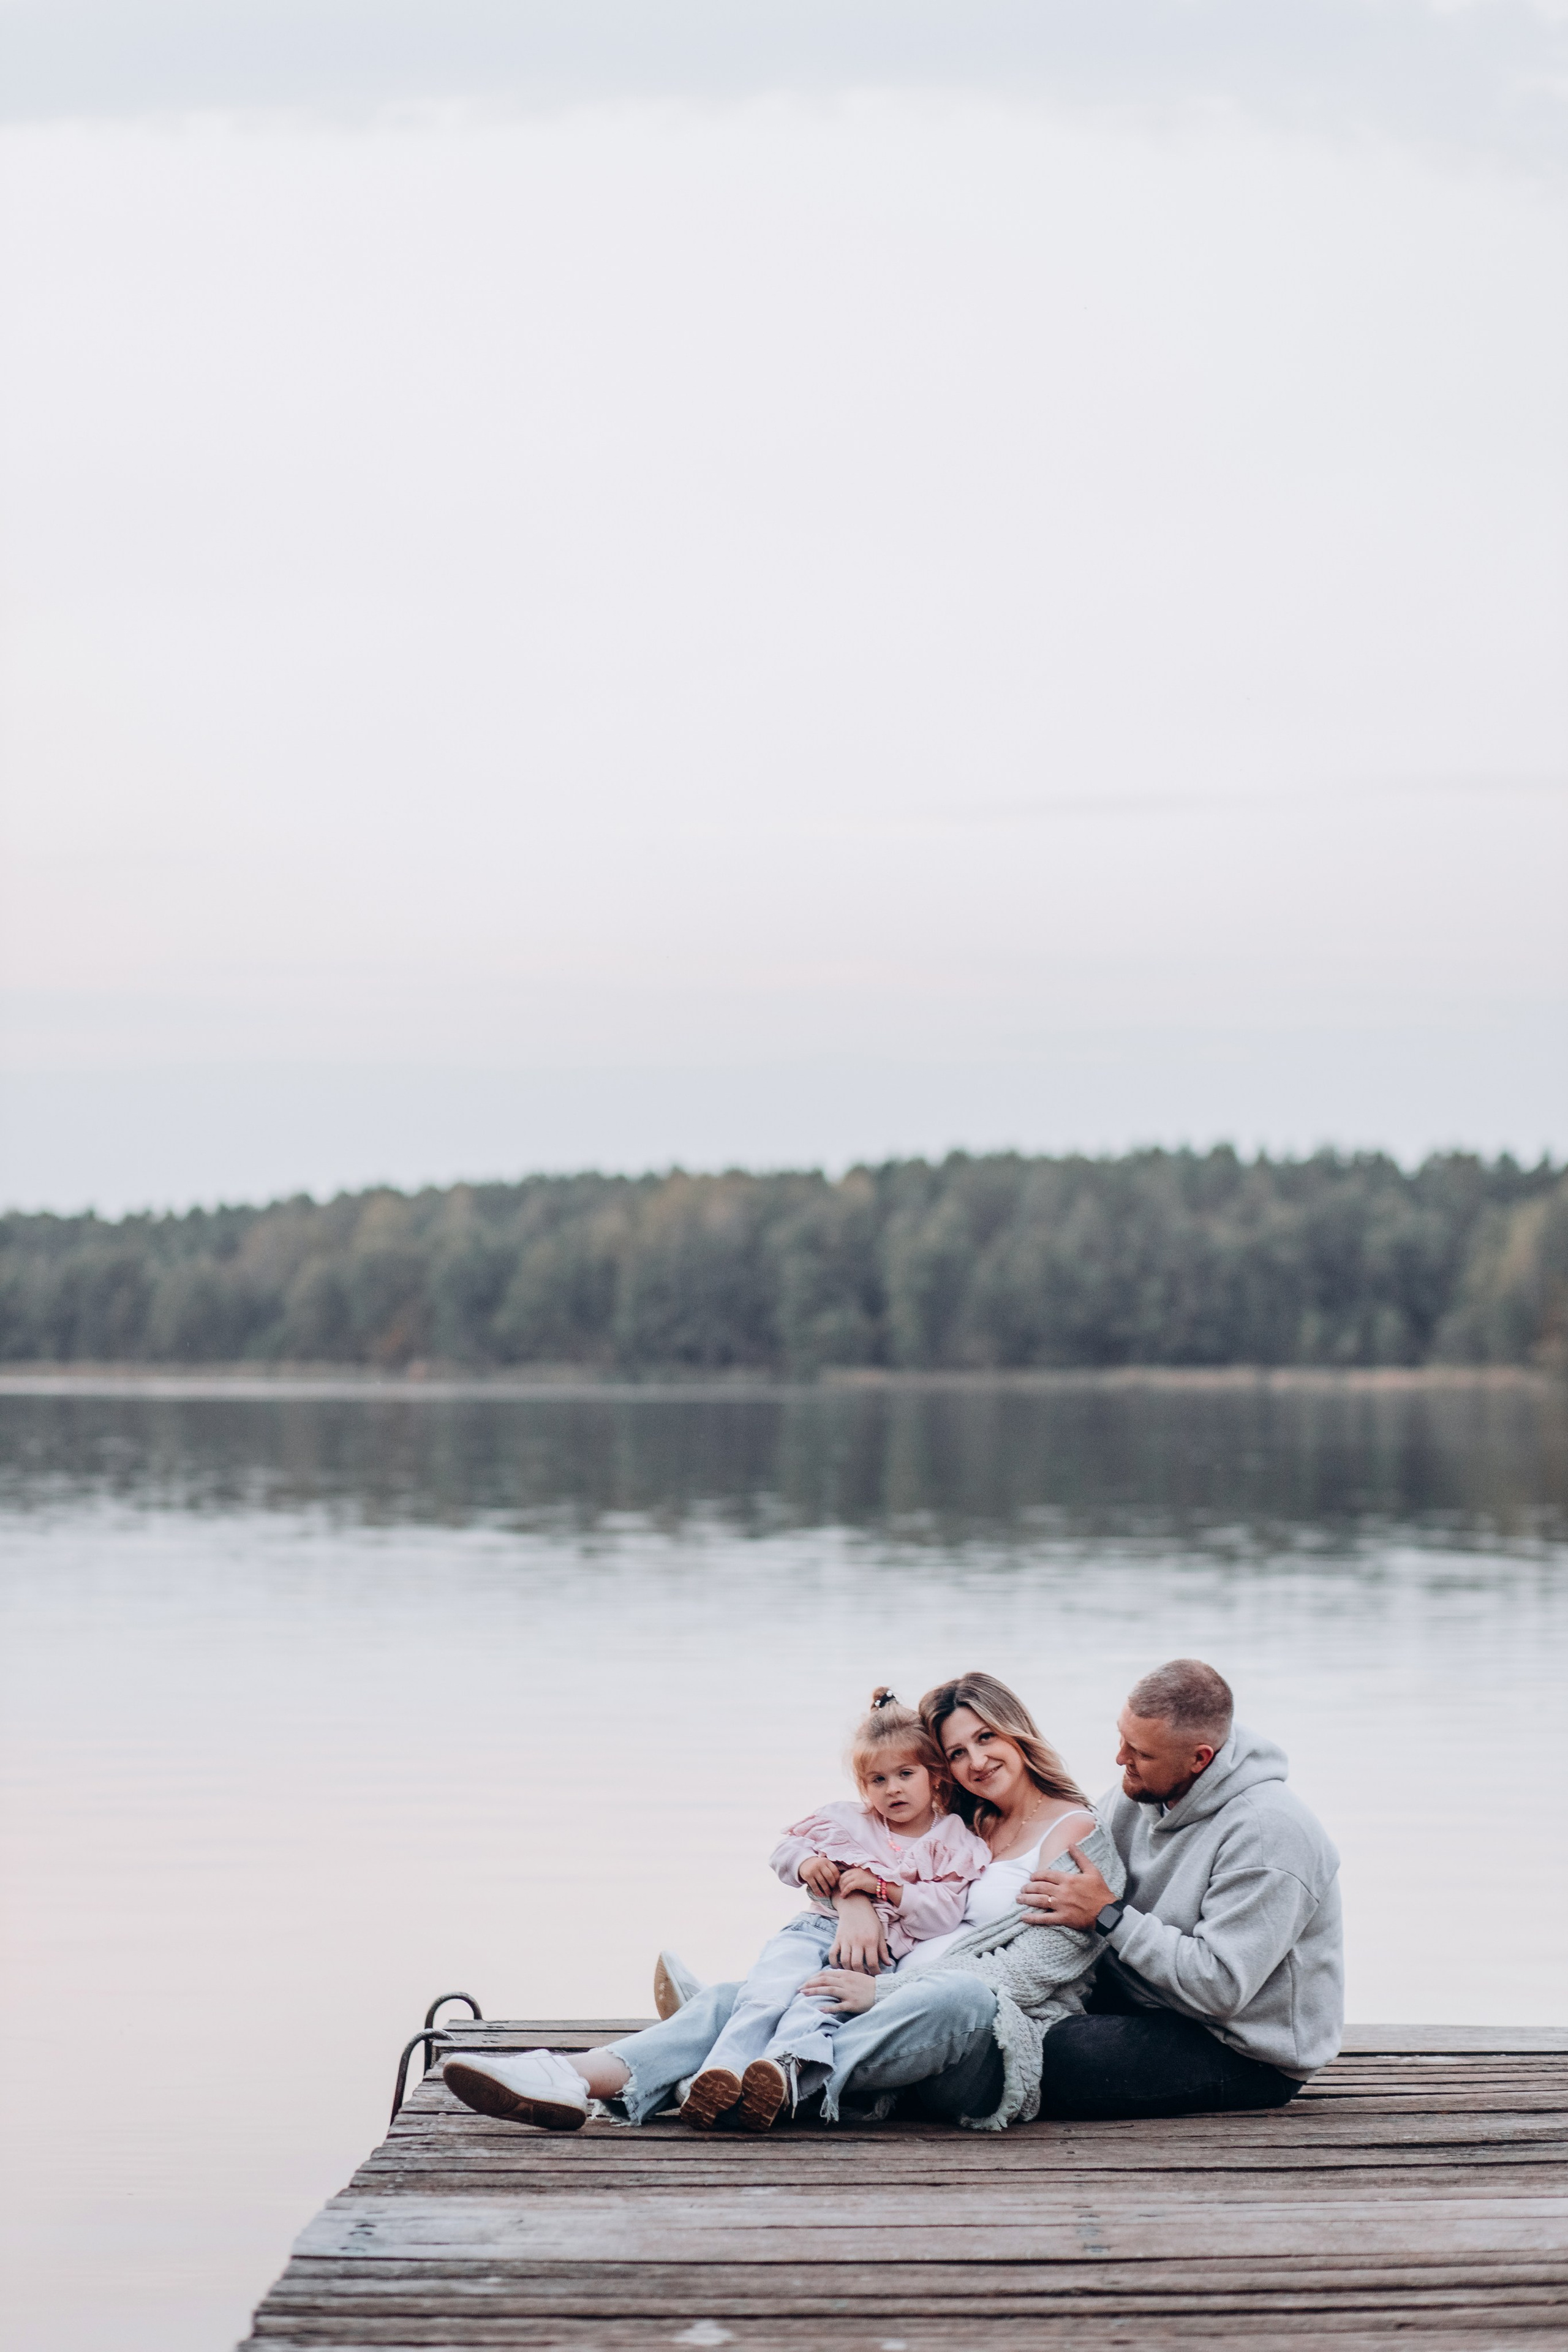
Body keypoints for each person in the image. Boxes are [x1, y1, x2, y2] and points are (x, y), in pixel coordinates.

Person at [440, 1672, 1121, 2134]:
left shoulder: (1077, 1833)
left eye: (987, 1738)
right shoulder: (964, 1824)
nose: (975, 1760)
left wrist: (882, 1993)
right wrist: (854, 1903)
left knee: (956, 2001)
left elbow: (1035, 1971)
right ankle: (571, 2076)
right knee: (761, 1990)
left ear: (1017, 1734)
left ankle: (751, 2077)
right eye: (958, 1750)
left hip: (973, 2039)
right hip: (876, 1989)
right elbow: (882, 1872)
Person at [1019, 1657, 1344, 2118]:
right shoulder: (1139, 1791)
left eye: (1141, 1753)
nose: (1120, 1760)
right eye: (1122, 1738)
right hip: (1145, 1999)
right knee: (1005, 2019)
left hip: (1240, 2047)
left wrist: (1110, 1916)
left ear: (1200, 1758)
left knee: (1048, 2055)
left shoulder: (1270, 1834)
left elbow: (1221, 1988)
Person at [659, 1687, 990, 2130]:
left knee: (818, 2009)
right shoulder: (846, 1819)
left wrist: (887, 1889)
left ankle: (778, 2076)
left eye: (905, 1774)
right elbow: (785, 1850)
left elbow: (944, 1914)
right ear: (863, 1786)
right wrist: (807, 1863)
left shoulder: (951, 1838)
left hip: (871, 1957)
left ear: (935, 1777)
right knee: (765, 1995)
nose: (892, 1789)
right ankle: (719, 2075)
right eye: (878, 1780)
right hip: (813, 1928)